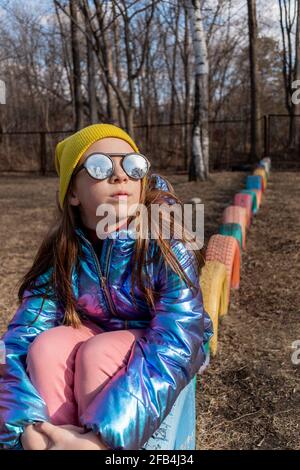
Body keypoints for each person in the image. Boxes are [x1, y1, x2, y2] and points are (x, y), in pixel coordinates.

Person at [0, 123, 213, 450]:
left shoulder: (164, 243)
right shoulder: (64, 252)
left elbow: (178, 337)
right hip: (97, 332)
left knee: (97, 354)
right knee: (47, 346)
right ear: (72, 193)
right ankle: (57, 438)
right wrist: (24, 422)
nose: (120, 176)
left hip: (164, 339)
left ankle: (100, 442)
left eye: (133, 165)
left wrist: (102, 440)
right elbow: (19, 339)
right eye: (100, 166)